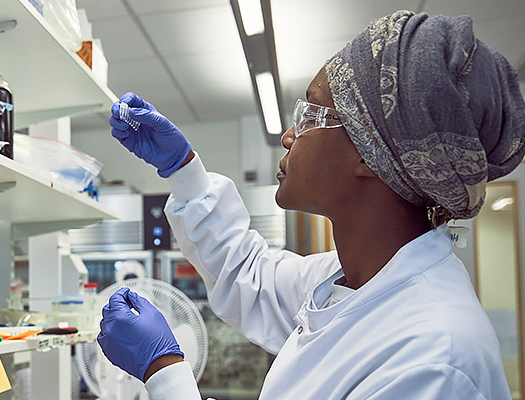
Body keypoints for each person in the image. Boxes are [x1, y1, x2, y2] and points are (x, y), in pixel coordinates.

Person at [98, 10, 525, 399]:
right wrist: (184, 171)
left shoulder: (435, 360)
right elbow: (249, 275)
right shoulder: (348, 281)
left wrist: (165, 373)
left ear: (370, 153)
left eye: (312, 115)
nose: (288, 136)